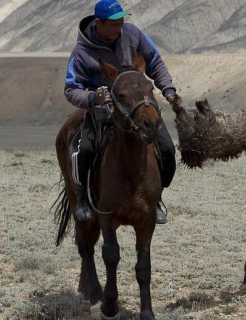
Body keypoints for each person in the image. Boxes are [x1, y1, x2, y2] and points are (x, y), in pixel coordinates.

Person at [64, 0, 181, 224]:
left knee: (166, 148)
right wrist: (92, 97)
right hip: (103, 107)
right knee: (83, 150)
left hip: (138, 105)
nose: (121, 27)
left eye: (122, 21)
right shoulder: (81, 52)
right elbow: (71, 89)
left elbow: (155, 61)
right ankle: (82, 199)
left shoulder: (132, 33)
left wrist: (168, 89)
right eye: (115, 24)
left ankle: (156, 198)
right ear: (99, 23)